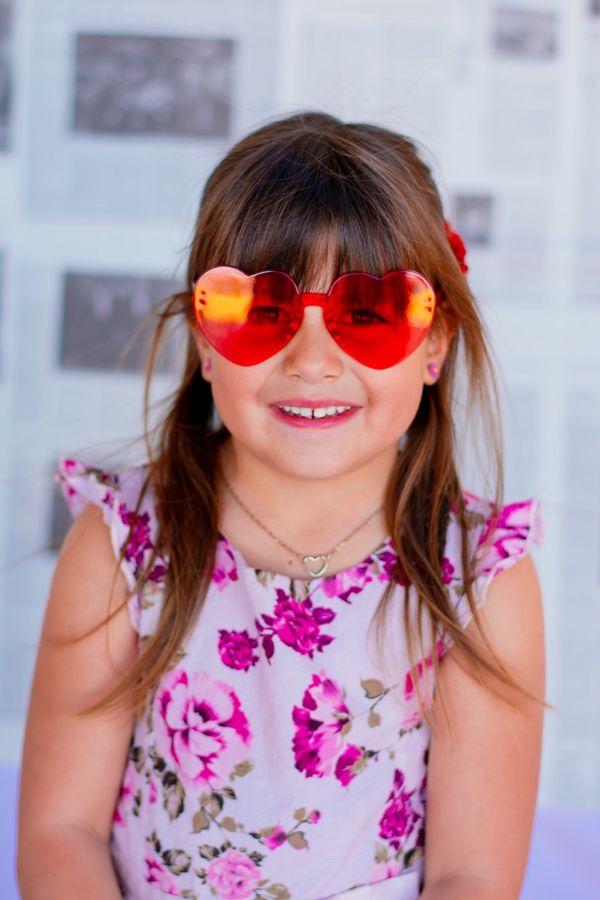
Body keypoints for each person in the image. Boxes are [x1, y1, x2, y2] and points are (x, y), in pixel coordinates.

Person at [17, 111, 548, 900]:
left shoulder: (477, 583)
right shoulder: (125, 547)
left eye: (367, 315)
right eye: (262, 310)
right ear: (204, 336)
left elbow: (472, 875)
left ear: (434, 344)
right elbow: (61, 832)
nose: (311, 360)